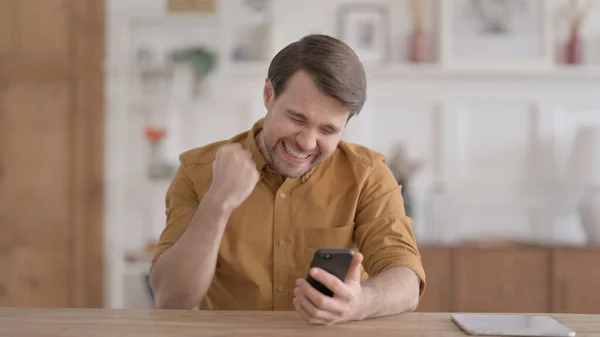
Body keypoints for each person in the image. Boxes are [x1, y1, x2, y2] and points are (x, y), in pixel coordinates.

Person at [149, 34, 426, 325]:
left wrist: (360, 303)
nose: (307, 142)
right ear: (269, 95)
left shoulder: (368, 175)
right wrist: (217, 202)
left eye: (328, 130)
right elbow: (171, 299)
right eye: (297, 119)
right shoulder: (198, 171)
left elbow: (406, 279)